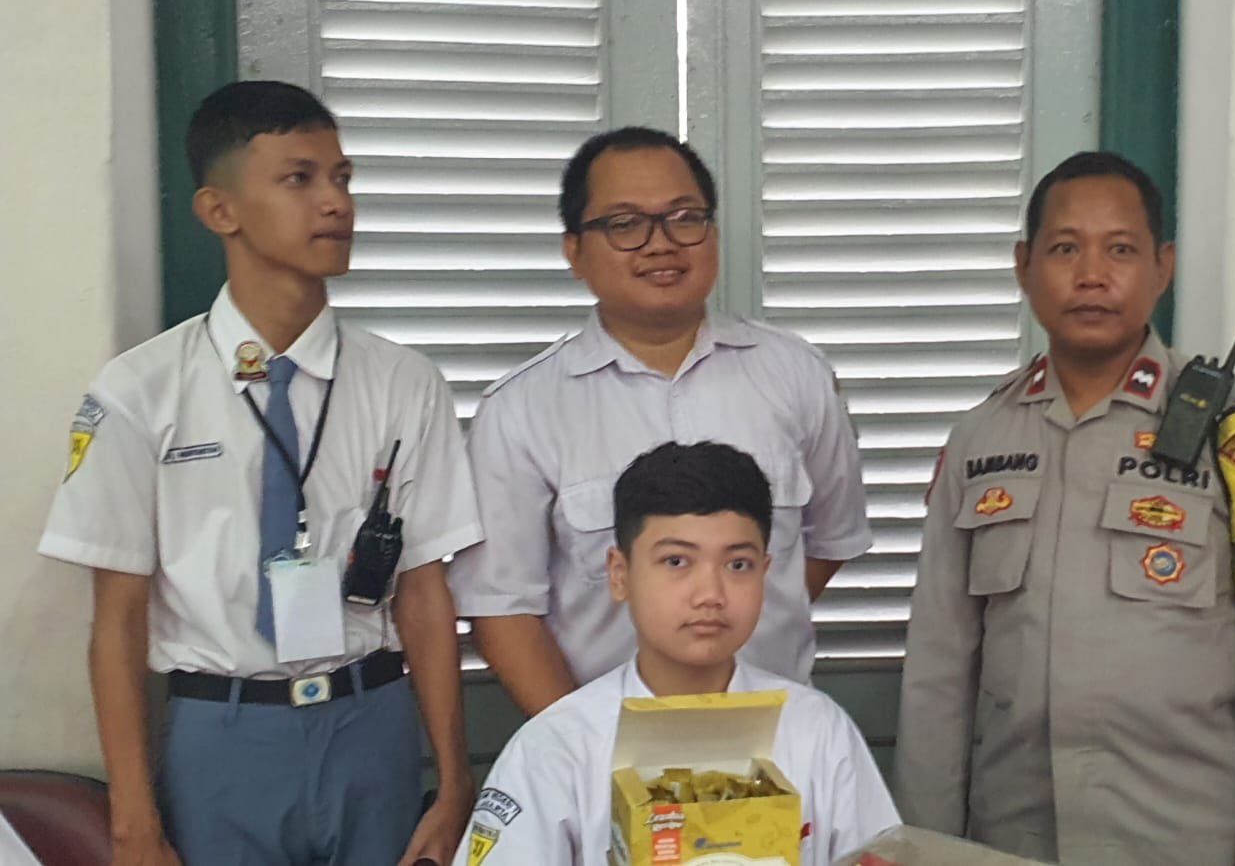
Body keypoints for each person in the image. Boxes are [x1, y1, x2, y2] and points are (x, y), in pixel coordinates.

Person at [36, 81, 482, 866]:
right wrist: (134, 820)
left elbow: (424, 591)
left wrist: (452, 784)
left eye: (342, 178)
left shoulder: (402, 383)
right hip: (223, 731)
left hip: (369, 718)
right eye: (299, 179)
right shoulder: (141, 392)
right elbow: (119, 619)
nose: (335, 203)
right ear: (220, 210)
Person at [894, 152, 1235, 866]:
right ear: (1024, 266)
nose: (1092, 275)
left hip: (1185, 838)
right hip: (1016, 841)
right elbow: (938, 668)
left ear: (1163, 268)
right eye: (1065, 249)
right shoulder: (981, 439)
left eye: (1122, 250)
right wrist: (927, 846)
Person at [447, 127, 872, 715]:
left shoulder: (797, 374)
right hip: (606, 739)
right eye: (625, 225)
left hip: (774, 728)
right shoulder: (521, 410)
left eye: (684, 218)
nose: (661, 244)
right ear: (574, 251)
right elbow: (502, 608)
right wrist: (586, 745)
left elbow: (827, 542)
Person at [453, 441, 898, 865]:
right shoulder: (557, 746)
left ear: (765, 574)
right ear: (620, 574)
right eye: (676, 561)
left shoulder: (818, 731)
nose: (710, 594)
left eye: (737, 564)